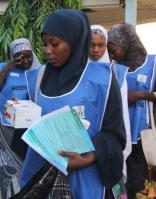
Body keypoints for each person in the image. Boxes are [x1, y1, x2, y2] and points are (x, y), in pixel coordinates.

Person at [19, 9, 126, 198]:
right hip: (40, 178)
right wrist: (18, 112)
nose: (47, 51)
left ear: (75, 40)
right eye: (45, 44)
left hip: (84, 178)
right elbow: (30, 126)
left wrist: (88, 158)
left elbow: (114, 134)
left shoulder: (103, 80)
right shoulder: (39, 77)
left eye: (55, 44)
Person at [0, 38, 41, 199]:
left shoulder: (41, 70)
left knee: (33, 183)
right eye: (20, 56)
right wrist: (8, 67)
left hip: (33, 136)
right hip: (8, 136)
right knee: (10, 183)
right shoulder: (2, 69)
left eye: (28, 56)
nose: (26, 60)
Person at [108, 23, 156, 199]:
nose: (110, 55)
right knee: (120, 184)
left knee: (141, 183)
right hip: (120, 136)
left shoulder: (153, 64)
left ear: (127, 43)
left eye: (113, 50)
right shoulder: (113, 68)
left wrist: (141, 95)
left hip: (143, 138)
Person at [89, 24, 131, 198]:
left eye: (101, 45)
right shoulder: (78, 72)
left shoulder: (118, 74)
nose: (96, 50)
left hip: (111, 143)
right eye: (91, 44)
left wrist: (122, 151)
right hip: (87, 147)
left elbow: (123, 117)